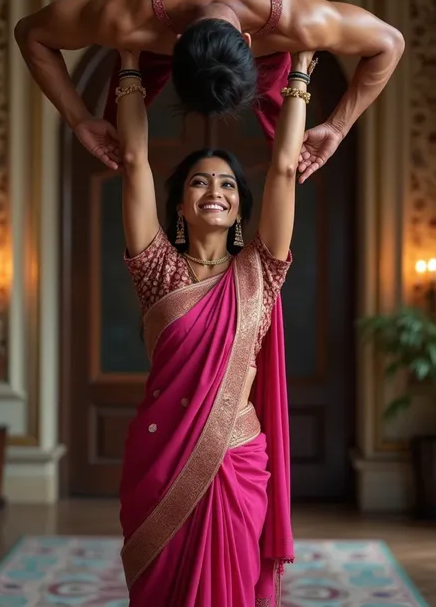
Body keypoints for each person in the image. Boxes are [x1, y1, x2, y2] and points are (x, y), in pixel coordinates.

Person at [114, 46, 315, 606]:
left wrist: (298, 75)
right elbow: (133, 161)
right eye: (200, 183)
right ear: (178, 203)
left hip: (234, 461)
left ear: (239, 208)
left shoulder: (260, 272)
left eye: (227, 186)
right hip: (162, 460)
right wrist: (129, 61)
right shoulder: (157, 270)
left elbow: (282, 166)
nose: (215, 193)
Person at [14, 0, 405, 184]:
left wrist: (337, 127)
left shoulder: (298, 18)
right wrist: (79, 118)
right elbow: (30, 33)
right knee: (126, 151)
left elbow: (390, 43)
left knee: (288, 162)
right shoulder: (126, 17)